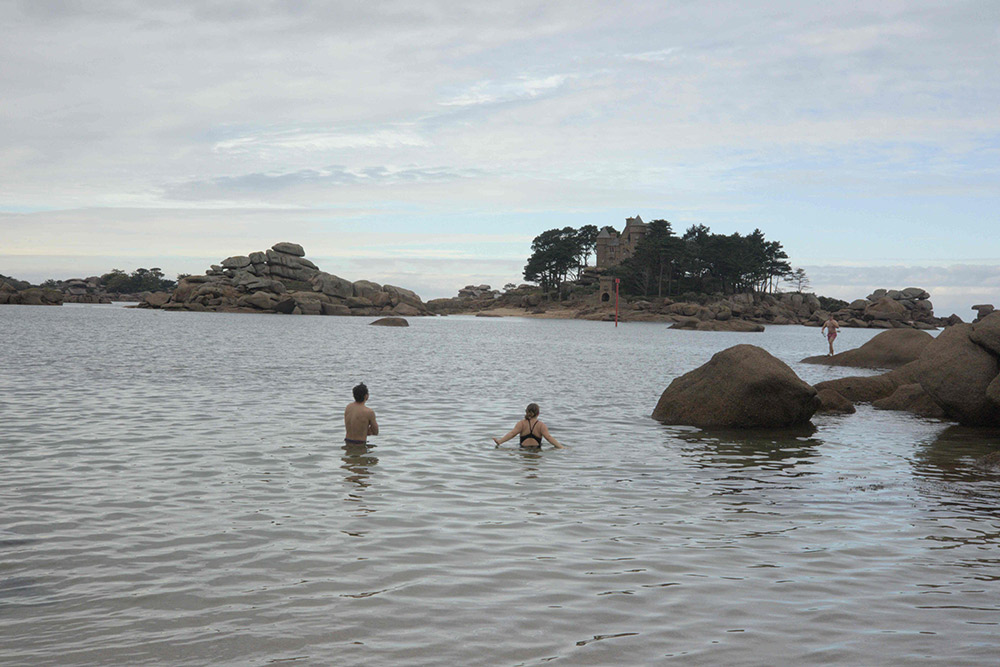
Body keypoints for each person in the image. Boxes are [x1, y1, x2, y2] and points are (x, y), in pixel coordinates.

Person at [493, 403, 565, 449]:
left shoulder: (521, 424)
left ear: (526, 412)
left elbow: (512, 434)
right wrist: (561, 447)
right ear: (538, 413)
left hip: (523, 449)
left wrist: (500, 441)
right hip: (536, 450)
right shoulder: (541, 425)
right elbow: (549, 438)